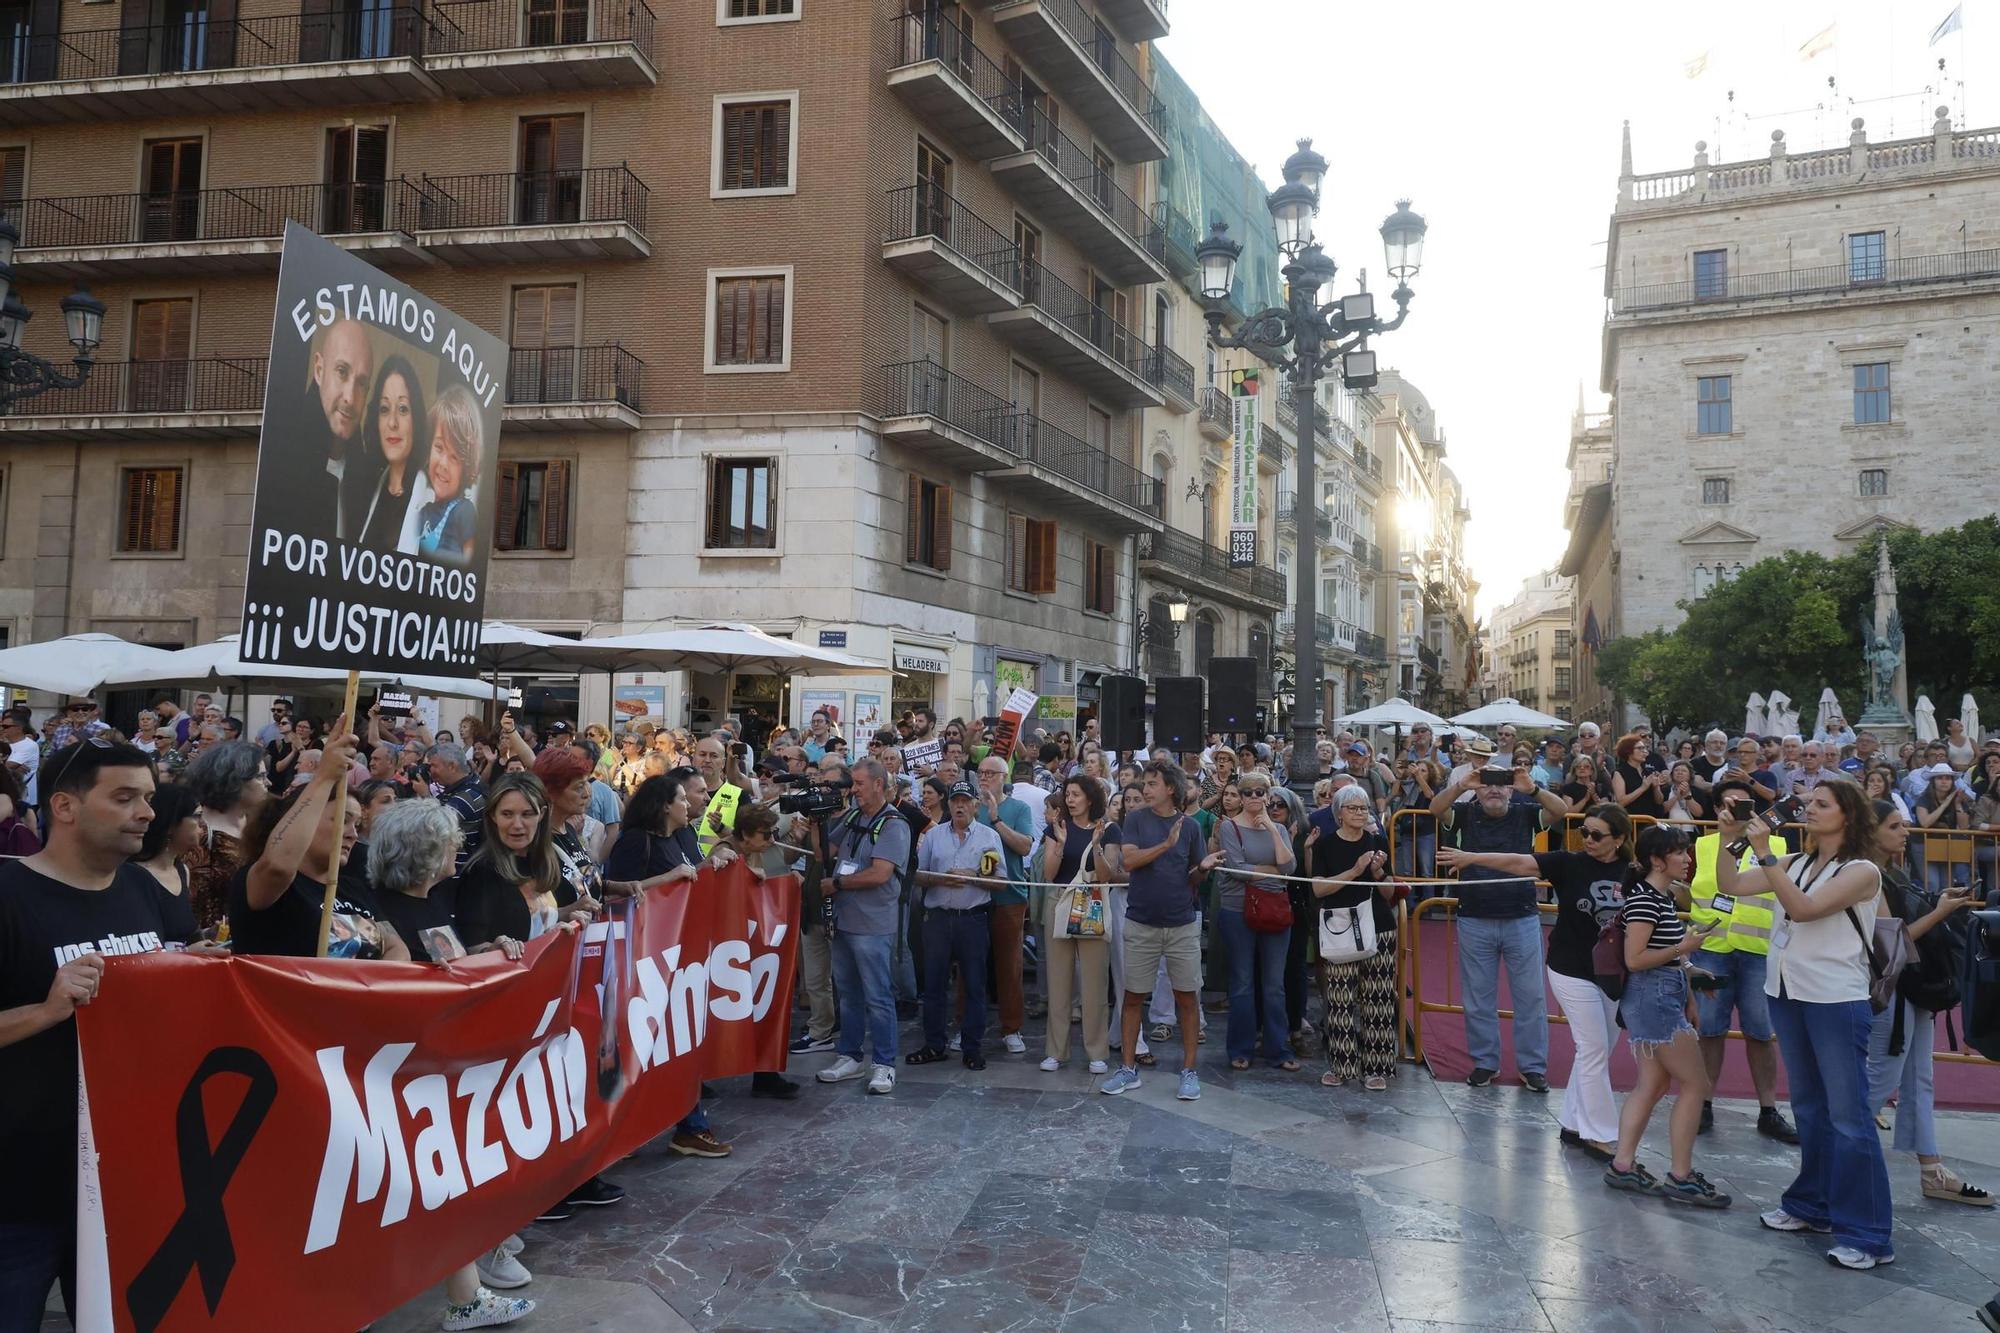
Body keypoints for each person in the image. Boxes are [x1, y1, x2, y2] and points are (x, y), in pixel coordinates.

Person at [0, 739, 181, 1327]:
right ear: (66, 807)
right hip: (18, 1193)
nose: (147, 813)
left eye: (149, 798)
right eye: (125, 797)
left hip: (120, 1182)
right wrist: (46, 1010)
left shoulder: (142, 890)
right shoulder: (8, 896)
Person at [362, 798, 539, 1321]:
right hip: (402, 1069)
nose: (457, 849)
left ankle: (468, 1287)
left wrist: (489, 949)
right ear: (422, 850)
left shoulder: (438, 899)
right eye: (447, 842)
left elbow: (446, 960)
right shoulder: (379, 909)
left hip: (443, 1065)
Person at [1717, 782, 1896, 1269]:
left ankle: (1869, 1233)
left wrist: (1761, 852)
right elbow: (1730, 885)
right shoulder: (1795, 862)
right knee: (1811, 1109)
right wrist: (1726, 835)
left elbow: (1804, 909)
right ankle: (1811, 1205)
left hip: (1836, 998)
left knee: (1849, 1117)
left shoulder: (1862, 871)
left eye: (1822, 804)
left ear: (1848, 815)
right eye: (1809, 803)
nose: (1808, 810)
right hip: (1787, 992)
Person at [1445, 803, 1634, 1158]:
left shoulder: (1633, 873)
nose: (1588, 841)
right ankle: (1600, 1133)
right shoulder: (1570, 863)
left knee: (1599, 1049)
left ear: (1620, 839)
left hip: (1613, 973)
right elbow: (1519, 862)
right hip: (1571, 969)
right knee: (1592, 1048)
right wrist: (1471, 857)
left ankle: (1574, 1123)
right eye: (1585, 833)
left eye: (1597, 835)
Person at [1864, 801, 1989, 1207]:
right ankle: (1834, 1162)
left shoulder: (1892, 873)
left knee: (1920, 1077)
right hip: (1892, 991)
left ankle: (1931, 1168)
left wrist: (1938, 901)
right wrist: (1940, 912)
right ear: (1872, 831)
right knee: (1881, 1079)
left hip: (1912, 990)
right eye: (1895, 825)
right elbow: (1891, 948)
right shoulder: (1869, 878)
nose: (1906, 832)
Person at [1599, 824, 1730, 1207]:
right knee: (1695, 1083)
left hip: (1660, 995)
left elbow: (1667, 955)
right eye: (1680, 853)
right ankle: (1681, 1175)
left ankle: (1623, 1165)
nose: (1688, 859)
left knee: (1654, 1084)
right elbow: (1635, 960)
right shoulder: (1645, 901)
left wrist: (1689, 983)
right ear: (1658, 860)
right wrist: (1685, 947)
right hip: (1652, 997)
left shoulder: (1660, 896)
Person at [1432, 758, 1567, 1089]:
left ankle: (1532, 1066)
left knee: (1531, 997)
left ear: (1511, 787)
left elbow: (1561, 811)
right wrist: (1463, 785)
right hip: (1474, 915)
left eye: (1501, 782)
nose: (1493, 788)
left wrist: (1532, 788)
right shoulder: (1465, 812)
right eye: (1487, 782)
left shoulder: (1525, 812)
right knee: (1478, 997)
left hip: (1520, 915)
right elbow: (1437, 808)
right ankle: (1484, 1062)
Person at [1682, 777, 1800, 1143]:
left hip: (1758, 951)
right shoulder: (1701, 845)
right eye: (1731, 803)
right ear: (1718, 807)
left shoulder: (1777, 843)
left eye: (1746, 804)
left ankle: (1768, 1110)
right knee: (1710, 1031)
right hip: (1711, 949)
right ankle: (1702, 1103)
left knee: (1761, 1033)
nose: (1738, 810)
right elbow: (1689, 892)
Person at [228, 722, 402, 961]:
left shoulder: (354, 889)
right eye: (343, 820)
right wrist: (324, 777)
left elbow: (395, 947)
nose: (352, 833)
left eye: (357, 824)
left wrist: (370, 987)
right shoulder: (263, 882)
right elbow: (279, 866)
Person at [1103, 762, 1221, 1100]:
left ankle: (1189, 1072)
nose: (1146, 789)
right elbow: (1130, 862)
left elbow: (1195, 877)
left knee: (1186, 997)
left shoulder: (1191, 827)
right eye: (1146, 783)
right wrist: (1166, 845)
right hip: (1140, 922)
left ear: (1171, 788)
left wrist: (1204, 867)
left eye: (1153, 783)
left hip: (1182, 922)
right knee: (1133, 997)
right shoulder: (1137, 819)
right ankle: (1128, 1069)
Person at [816, 758, 910, 1095]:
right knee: (849, 994)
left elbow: (880, 873)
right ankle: (850, 1057)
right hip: (845, 921)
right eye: (851, 784)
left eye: (857, 784)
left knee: (878, 996)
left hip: (872, 924)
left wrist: (837, 886)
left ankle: (884, 1064)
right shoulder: (855, 816)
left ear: (878, 785)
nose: (852, 790)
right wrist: (816, 821)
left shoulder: (894, 824)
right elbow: (823, 854)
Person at [905, 781, 1004, 1071]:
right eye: (955, 801)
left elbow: (1000, 881)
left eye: (965, 801)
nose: (959, 806)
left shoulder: (989, 837)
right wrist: (939, 878)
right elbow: (918, 875)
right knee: (934, 986)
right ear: (948, 805)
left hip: (973, 920)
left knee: (975, 985)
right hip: (938, 919)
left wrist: (971, 876)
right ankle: (934, 1044)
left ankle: (972, 1048)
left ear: (975, 805)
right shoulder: (934, 836)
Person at [1307, 785, 1398, 1090]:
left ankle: (1376, 1068)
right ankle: (1342, 1065)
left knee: (1378, 999)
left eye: (1364, 808)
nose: (1360, 814)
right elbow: (1318, 889)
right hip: (1340, 926)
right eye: (1354, 808)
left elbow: (1390, 892)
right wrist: (1355, 869)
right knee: (1340, 999)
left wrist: (1377, 873)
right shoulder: (1325, 845)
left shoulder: (1378, 840)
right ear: (1339, 812)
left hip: (1379, 926)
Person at [1214, 771, 1299, 1072]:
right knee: (1243, 983)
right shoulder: (1229, 827)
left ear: (1268, 795)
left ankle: (1278, 1048)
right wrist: (1270, 870)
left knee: (1275, 985)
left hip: (1275, 910)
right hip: (1238, 910)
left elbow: (1289, 866)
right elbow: (1237, 869)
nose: (1253, 797)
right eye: (1247, 792)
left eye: (1260, 792)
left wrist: (1274, 832)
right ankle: (1240, 1048)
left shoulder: (1279, 828)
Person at [1038, 776, 1117, 1074]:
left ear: (1090, 798)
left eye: (1076, 795)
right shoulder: (1056, 827)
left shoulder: (1108, 829)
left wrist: (1096, 847)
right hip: (1059, 901)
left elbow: (1107, 875)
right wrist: (1059, 843)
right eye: (1067, 794)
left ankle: (1097, 1051)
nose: (1070, 800)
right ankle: (1055, 1052)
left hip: (1091, 901)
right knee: (1058, 981)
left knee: (1095, 982)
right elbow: (1048, 873)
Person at [275, 316, 373, 541]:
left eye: (361, 383)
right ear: (319, 370)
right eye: (341, 371)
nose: (350, 397)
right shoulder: (282, 464)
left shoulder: (367, 482)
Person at [973, 754, 1035, 1055]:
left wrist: (996, 818)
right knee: (970, 964)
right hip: (973, 896)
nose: (983, 777)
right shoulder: (970, 807)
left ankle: (1012, 1028)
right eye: (980, 772)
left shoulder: (1018, 808)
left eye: (990, 773)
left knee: (1009, 967)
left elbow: (1024, 846)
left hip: (1009, 897)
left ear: (1004, 776)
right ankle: (966, 1025)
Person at [345, 351, 432, 550]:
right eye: (384, 409)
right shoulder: (365, 491)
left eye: (402, 409)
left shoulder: (430, 500)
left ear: (416, 419)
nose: (392, 422)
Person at [183, 738, 272, 931]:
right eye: (260, 777)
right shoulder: (200, 833)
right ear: (233, 780)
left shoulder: (259, 824)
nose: (268, 783)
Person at [415, 382, 483, 563]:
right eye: (439, 447)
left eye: (454, 458)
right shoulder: (422, 512)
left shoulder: (464, 511)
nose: (444, 464)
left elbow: (471, 567)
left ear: (466, 468)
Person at [131, 781, 204, 946]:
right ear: (171, 824)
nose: (202, 825)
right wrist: (187, 952)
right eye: (197, 816)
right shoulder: (133, 876)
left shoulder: (182, 870)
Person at [429, 742, 486, 870]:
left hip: (460, 873)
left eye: (434, 766)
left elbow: (434, 826)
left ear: (452, 766)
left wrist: (425, 795)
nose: (431, 771)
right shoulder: (463, 786)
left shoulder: (468, 796)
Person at [1611, 732, 1668, 819]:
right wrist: (1642, 788)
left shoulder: (1648, 772)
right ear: (1628, 751)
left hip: (1651, 820)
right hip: (1632, 821)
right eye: (1640, 748)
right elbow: (1621, 802)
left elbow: (1659, 801)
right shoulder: (1619, 773)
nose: (1645, 751)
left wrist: (1656, 787)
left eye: (1645, 748)